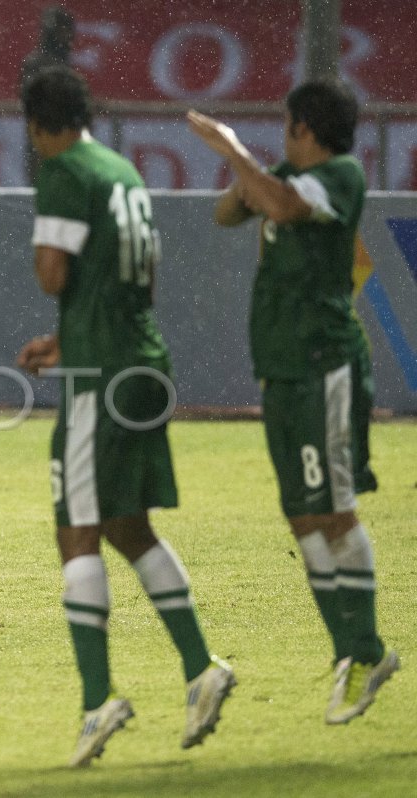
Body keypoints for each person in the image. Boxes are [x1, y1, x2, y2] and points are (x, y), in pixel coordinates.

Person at [15, 67, 235, 767]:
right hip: (140, 358)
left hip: (101, 376)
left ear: (35, 125)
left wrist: (75, 330)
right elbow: (134, 274)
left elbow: (52, 273)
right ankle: (201, 667)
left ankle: (97, 699)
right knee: (124, 524)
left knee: (76, 529)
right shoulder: (121, 170)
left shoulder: (63, 170)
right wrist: (69, 336)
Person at [188, 79, 400, 725]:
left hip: (324, 365)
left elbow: (279, 208)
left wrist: (231, 149)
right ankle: (351, 654)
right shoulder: (282, 176)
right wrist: (251, 176)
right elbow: (229, 214)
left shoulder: (339, 176)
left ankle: (367, 650)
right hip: (281, 369)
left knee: (333, 509)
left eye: (287, 124)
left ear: (303, 126)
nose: (283, 133)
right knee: (302, 517)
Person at [19, 6, 75, 184]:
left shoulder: (64, 64)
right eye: (63, 30)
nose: (67, 36)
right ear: (52, 31)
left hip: (64, 137)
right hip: (43, 137)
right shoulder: (36, 63)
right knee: (41, 188)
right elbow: (30, 97)